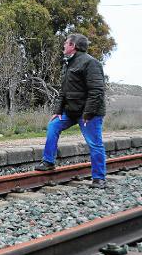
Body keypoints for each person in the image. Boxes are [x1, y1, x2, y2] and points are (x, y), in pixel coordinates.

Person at [35, 33, 107, 188]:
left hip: (88, 113)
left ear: (73, 46)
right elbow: (64, 91)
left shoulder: (90, 63)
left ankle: (99, 178)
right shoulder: (69, 63)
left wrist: (88, 113)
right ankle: (48, 162)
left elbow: (97, 91)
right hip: (71, 111)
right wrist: (58, 110)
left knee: (94, 144)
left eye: (66, 43)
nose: (63, 45)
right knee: (53, 126)